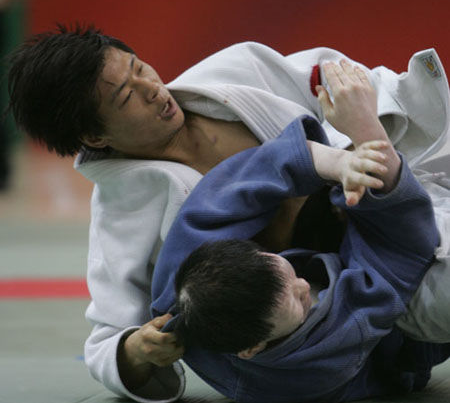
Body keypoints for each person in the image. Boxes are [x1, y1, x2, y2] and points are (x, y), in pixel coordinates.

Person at [6, 24, 450, 402]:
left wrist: (354, 134)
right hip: (344, 305)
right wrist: (136, 351)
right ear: (95, 137)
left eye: (139, 68)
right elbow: (107, 341)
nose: (153, 89)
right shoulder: (123, 215)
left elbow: (359, 90)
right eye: (126, 97)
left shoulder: (238, 70)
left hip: (393, 218)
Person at [149, 61, 450, 403]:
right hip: (403, 325)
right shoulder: (319, 360)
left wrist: (338, 164)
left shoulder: (183, 281)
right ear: (252, 349)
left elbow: (237, 185)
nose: (303, 285)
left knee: (376, 107)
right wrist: (367, 132)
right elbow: (402, 251)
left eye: (288, 273)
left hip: (357, 237)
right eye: (296, 300)